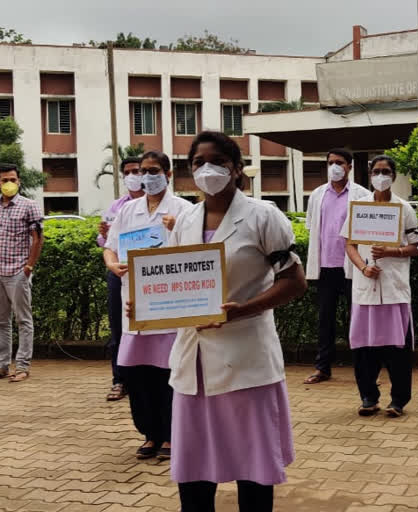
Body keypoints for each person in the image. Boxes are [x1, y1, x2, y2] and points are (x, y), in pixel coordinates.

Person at [160, 131, 306, 512]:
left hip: (245, 359)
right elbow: (170, 283)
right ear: (189, 171)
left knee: (252, 469)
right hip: (194, 364)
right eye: (198, 163)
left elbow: (294, 282)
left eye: (217, 162)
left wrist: (241, 309)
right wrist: (147, 308)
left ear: (236, 169)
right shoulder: (185, 221)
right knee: (193, 470)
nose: (207, 170)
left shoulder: (264, 216)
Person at [104, 151, 191, 460]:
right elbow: (110, 247)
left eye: (154, 170)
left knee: (169, 373)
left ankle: (170, 436)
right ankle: (149, 434)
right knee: (139, 375)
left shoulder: (184, 210)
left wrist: (177, 226)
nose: (147, 176)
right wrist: (113, 265)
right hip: (135, 305)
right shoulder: (128, 210)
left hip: (168, 307)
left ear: (168, 174)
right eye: (143, 170)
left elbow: (199, 255)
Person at [340, 155, 418, 417]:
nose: (381, 176)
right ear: (369, 174)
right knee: (363, 349)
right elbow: (349, 244)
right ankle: (368, 397)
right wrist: (363, 268)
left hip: (394, 289)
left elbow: (417, 246)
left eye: (386, 171)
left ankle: (398, 400)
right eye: (376, 171)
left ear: (394, 176)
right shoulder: (359, 207)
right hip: (365, 290)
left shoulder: (404, 208)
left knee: (397, 349)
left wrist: (390, 252)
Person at [303, 148, 368, 385]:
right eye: (330, 162)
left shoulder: (362, 195)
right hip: (325, 266)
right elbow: (312, 228)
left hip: (353, 267)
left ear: (349, 166)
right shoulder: (317, 195)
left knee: (358, 320)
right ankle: (323, 368)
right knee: (325, 320)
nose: (334, 166)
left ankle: (365, 370)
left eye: (339, 162)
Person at [98, 156, 144, 401]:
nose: (133, 175)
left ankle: (152, 379)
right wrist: (104, 235)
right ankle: (120, 380)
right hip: (121, 272)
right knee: (119, 328)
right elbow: (106, 243)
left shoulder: (168, 205)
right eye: (128, 172)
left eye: (137, 171)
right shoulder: (116, 207)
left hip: (151, 274)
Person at [0, 163, 43, 383]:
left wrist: (29, 267)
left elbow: (38, 238)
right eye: (4, 180)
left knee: (23, 320)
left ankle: (23, 366)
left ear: (19, 181)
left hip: (18, 270)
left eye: (12, 180)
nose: (8, 184)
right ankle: (2, 365)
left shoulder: (29, 206)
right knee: (1, 321)